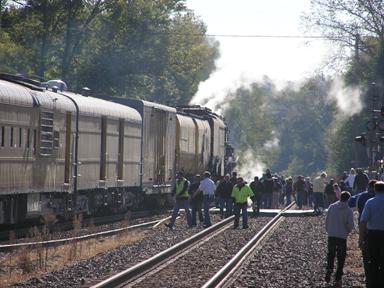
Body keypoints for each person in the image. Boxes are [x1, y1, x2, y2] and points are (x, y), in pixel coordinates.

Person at [348, 179, 376, 288]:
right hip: (379, 228)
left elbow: (350, 203)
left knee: (366, 252)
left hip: (364, 227)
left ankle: (368, 277)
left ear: (368, 186)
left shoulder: (361, 196)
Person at [325, 191, 354, 287]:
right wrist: (347, 231)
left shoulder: (332, 207)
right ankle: (338, 276)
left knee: (331, 254)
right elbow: (350, 225)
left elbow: (327, 220)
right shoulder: (349, 210)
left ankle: (329, 269)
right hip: (342, 236)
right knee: (341, 257)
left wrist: (329, 230)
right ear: (348, 199)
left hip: (332, 234)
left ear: (340, 197)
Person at [359, 181, 384, 288]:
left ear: (375, 189)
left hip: (373, 234)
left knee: (373, 260)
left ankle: (373, 283)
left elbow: (363, 221)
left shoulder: (370, 202)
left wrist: (361, 238)